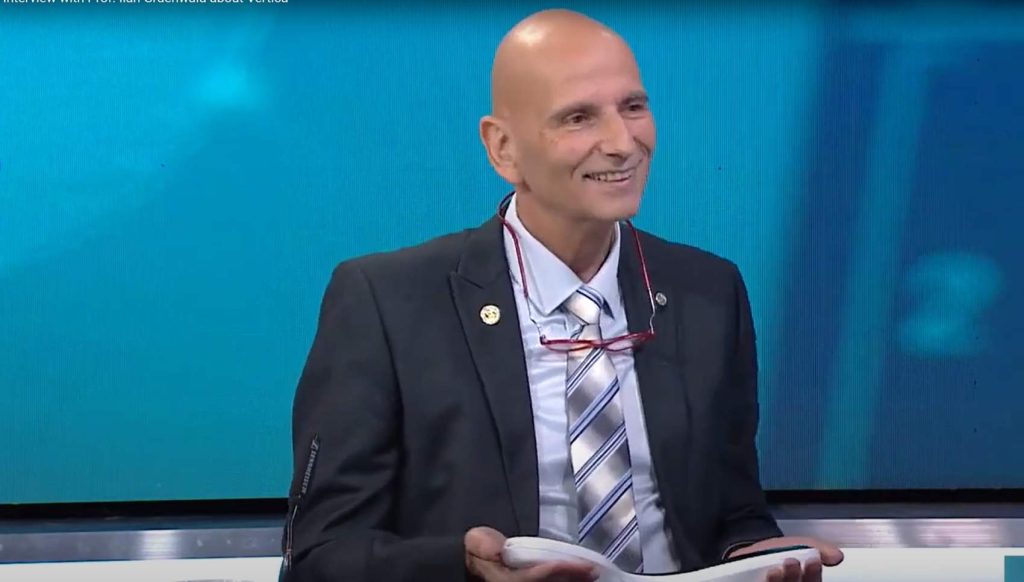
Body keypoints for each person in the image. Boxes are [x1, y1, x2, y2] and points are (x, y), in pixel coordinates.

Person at [282, 9, 844, 582]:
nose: (623, 143)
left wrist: (752, 554)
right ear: (503, 148)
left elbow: (732, 513)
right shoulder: (387, 302)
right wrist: (461, 566)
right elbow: (319, 556)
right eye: (579, 117)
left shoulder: (709, 292)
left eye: (633, 107)